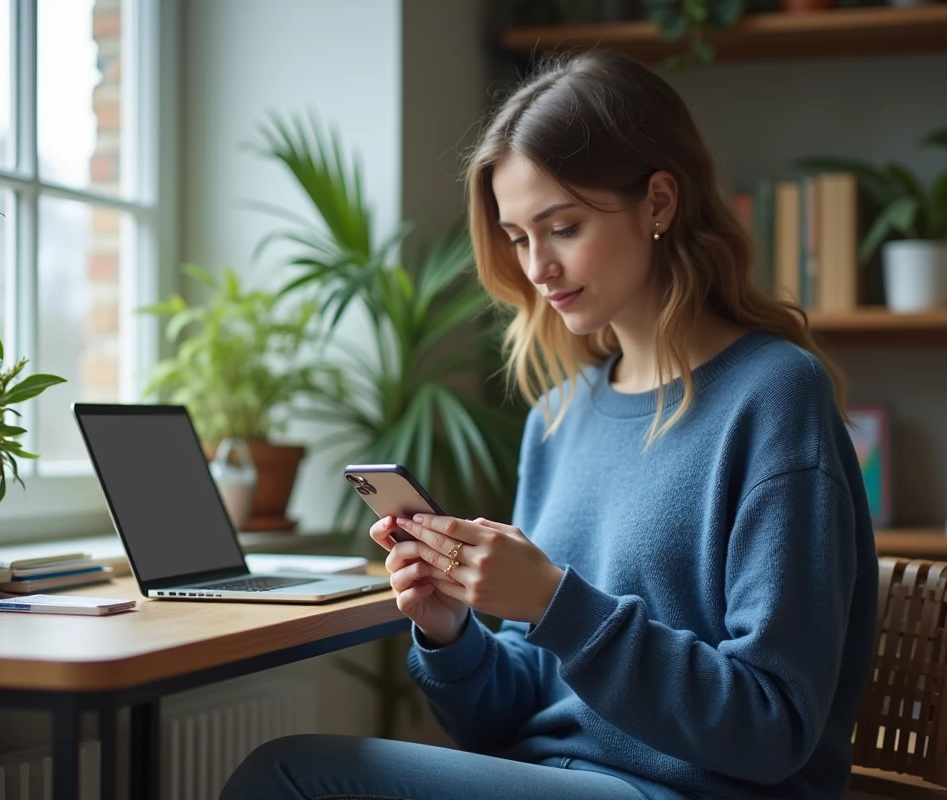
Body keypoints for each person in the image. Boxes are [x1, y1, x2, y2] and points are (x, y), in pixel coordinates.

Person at [221, 48, 878, 800]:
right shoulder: (557, 418)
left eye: (562, 227)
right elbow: (509, 717)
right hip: (559, 778)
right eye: (518, 237)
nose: (536, 268)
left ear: (659, 203)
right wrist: (450, 631)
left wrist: (555, 603)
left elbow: (774, 727)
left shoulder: (774, 396)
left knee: (287, 776)